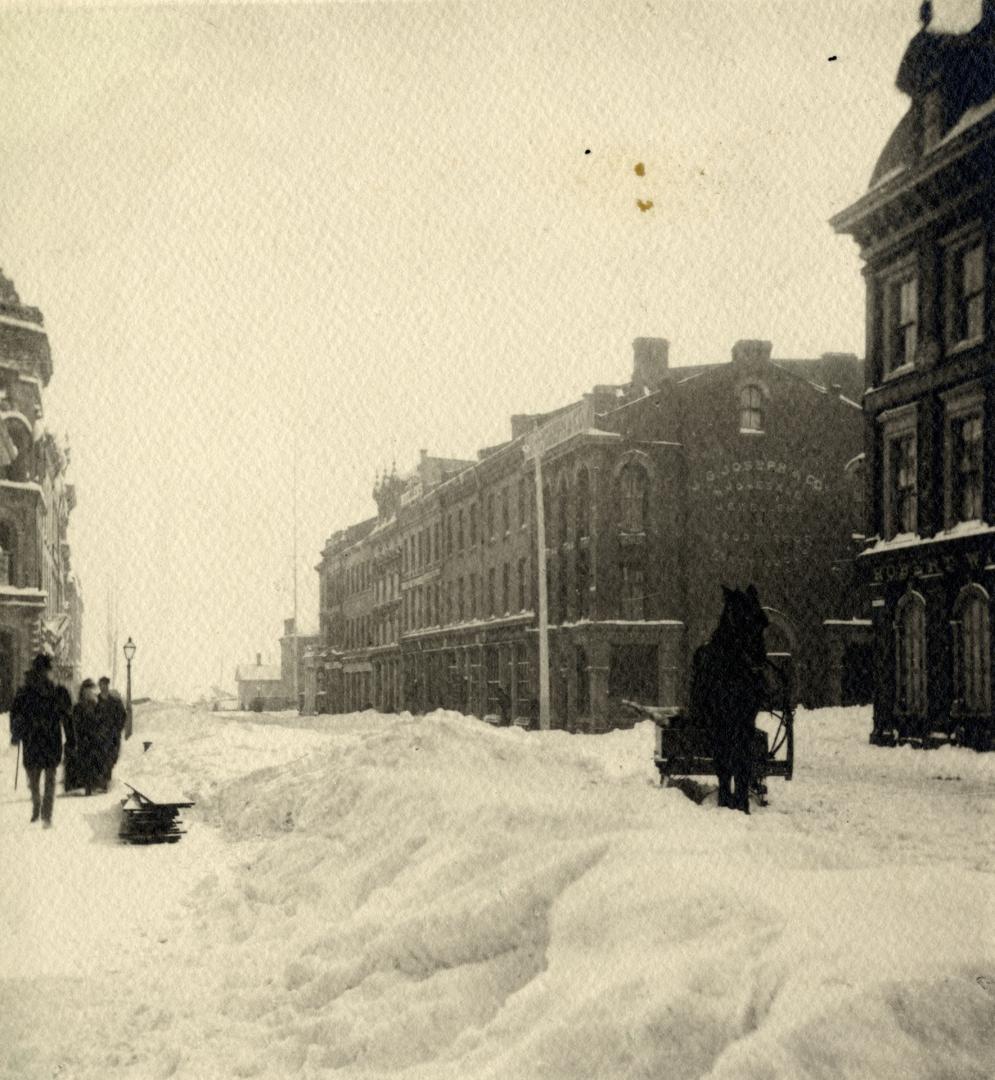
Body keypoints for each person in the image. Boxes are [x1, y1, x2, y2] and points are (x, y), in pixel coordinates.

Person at [9, 653, 72, 827]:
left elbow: (16, 716)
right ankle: (42, 810)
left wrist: (16, 734)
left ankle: (43, 811)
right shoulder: (45, 692)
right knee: (40, 780)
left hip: (36, 741)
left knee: (41, 779)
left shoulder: (36, 692)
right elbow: (17, 715)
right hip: (45, 741)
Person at [72, 679, 103, 796]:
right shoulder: (78, 707)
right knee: (85, 762)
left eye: (90, 690)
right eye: (86, 690)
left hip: (93, 737)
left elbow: (100, 721)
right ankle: (87, 785)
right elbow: (75, 722)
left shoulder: (96, 705)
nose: (88, 693)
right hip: (82, 737)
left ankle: (91, 785)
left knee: (92, 761)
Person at [96, 676, 127, 789]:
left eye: (104, 684)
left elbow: (123, 715)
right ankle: (103, 781)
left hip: (113, 735)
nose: (103, 687)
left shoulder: (115, 702)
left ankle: (106, 777)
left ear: (107, 686)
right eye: (101, 684)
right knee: (102, 757)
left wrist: (118, 728)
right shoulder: (96, 701)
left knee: (112, 757)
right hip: (100, 736)